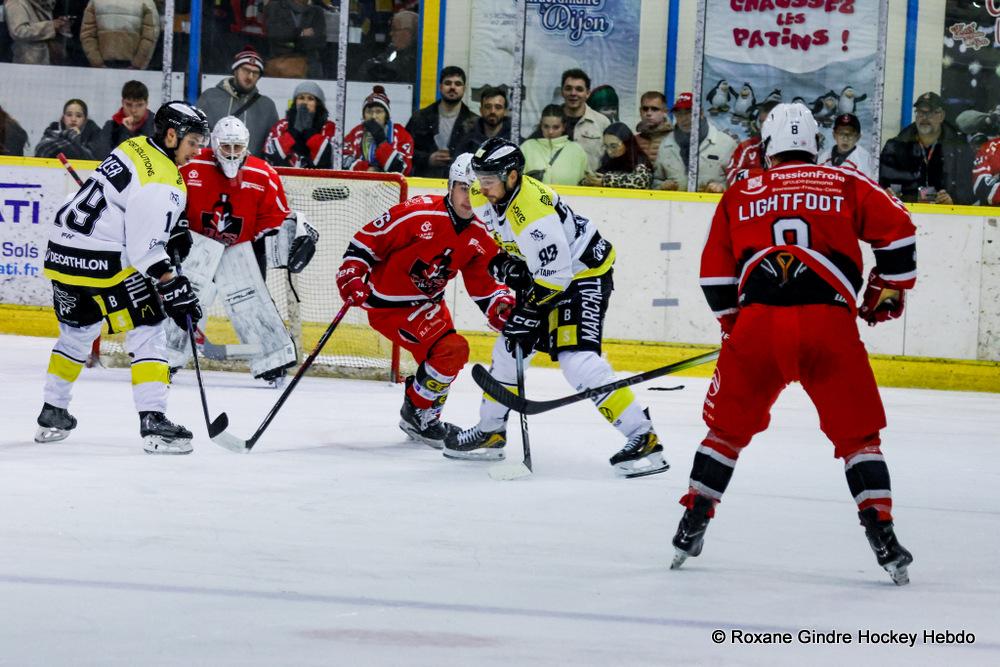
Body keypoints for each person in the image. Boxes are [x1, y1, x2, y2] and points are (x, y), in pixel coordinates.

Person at [669, 103, 917, 586]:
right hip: (829, 326)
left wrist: (735, 328)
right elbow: (900, 231)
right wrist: (887, 287)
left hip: (758, 327)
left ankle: (691, 523)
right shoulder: (844, 182)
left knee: (725, 433)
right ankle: (883, 536)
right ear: (815, 144)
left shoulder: (741, 192)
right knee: (858, 439)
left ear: (767, 146)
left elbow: (715, 276)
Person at [446, 138, 666, 477]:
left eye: (488, 180)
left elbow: (557, 278)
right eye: (479, 178)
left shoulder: (534, 214)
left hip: (581, 275)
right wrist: (506, 262)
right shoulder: (483, 193)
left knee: (577, 361)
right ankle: (491, 432)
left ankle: (643, 436)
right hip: (546, 275)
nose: (481, 187)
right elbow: (504, 238)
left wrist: (528, 311)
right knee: (509, 350)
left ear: (512, 176)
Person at [36, 101, 209, 455]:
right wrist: (172, 285)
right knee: (149, 328)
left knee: (77, 334)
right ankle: (153, 420)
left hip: (61, 253)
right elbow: (146, 250)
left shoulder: (134, 145)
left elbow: (128, 203)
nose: (197, 151)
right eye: (193, 142)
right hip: (104, 259)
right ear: (172, 136)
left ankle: (53, 411)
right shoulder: (164, 178)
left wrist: (173, 228)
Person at [335, 153, 514, 448]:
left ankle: (425, 416)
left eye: (477, 190)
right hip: (388, 306)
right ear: (450, 186)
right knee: (450, 350)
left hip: (429, 305)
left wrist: (500, 303)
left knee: (448, 357)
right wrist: (351, 274)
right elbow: (368, 240)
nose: (470, 198)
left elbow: (484, 284)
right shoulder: (418, 213)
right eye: (463, 188)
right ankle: (417, 414)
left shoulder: (483, 232)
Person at [170, 116, 317, 386]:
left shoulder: (263, 174)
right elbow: (170, 200)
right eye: (226, 147)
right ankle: (167, 356)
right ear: (214, 144)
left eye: (237, 147)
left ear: (246, 146)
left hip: (240, 249)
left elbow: (275, 218)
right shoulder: (191, 165)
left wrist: (289, 235)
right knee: (184, 296)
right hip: (196, 246)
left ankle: (272, 361)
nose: (232, 153)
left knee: (250, 301)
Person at [879, 92, 974, 205]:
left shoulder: (959, 149)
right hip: (905, 211)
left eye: (929, 113)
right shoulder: (895, 146)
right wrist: (887, 195)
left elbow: (969, 191)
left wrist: (953, 201)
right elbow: (881, 184)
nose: (924, 117)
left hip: (944, 214)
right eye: (920, 112)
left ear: (941, 116)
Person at [196, 46, 279, 158]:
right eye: (246, 70)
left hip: (251, 167)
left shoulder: (267, 107)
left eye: (255, 73)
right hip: (212, 165)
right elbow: (196, 136)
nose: (250, 76)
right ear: (235, 70)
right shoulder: (210, 97)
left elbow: (272, 147)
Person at [653, 92, 736, 192]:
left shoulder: (725, 144)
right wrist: (662, 186)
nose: (683, 118)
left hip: (714, 201)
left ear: (701, 113)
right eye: (678, 113)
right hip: (674, 201)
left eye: (689, 112)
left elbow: (738, 181)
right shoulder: (666, 144)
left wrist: (722, 187)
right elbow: (655, 181)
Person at [405, 66, 479, 178]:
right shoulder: (420, 118)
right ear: (440, 87)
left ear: (464, 89)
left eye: (458, 84)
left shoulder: (475, 123)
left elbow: (479, 157)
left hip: (461, 182)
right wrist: (428, 159)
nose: (452, 87)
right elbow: (405, 151)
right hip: (424, 181)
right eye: (448, 83)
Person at [263, 81, 337, 169]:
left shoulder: (329, 127)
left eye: (310, 99)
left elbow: (328, 159)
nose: (305, 102)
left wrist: (309, 132)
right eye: (301, 98)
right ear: (295, 102)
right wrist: (294, 131)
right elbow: (270, 154)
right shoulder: (282, 125)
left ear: (318, 103)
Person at [343, 85, 414, 175]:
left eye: (379, 111)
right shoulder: (356, 133)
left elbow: (403, 169)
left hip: (391, 184)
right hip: (360, 183)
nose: (374, 116)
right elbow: (343, 161)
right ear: (363, 116)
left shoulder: (401, 134)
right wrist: (367, 169)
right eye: (369, 112)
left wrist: (381, 141)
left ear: (386, 115)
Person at [519, 104, 588, 186]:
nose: (550, 131)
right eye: (546, 126)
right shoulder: (527, 147)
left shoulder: (577, 150)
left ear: (564, 127)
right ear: (541, 125)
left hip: (569, 194)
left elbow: (585, 181)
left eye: (556, 127)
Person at [80, 0, 160, 69]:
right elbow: (150, 36)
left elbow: (87, 34)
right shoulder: (146, 2)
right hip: (131, 64)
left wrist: (97, 62)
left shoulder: (95, 1)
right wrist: (138, 64)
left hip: (104, 63)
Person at [557, 68, 610, 171]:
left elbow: (611, 158)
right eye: (568, 88)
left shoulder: (602, 123)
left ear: (588, 93)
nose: (573, 93)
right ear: (562, 92)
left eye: (579, 89)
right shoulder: (550, 120)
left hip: (590, 181)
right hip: (555, 181)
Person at [263, 0, 327, 79]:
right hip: (280, 59)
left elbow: (320, 41)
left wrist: (291, 40)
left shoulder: (317, 11)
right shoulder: (276, 6)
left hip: (308, 61)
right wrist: (301, 33)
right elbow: (276, 34)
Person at [95, 80, 155, 160]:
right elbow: (101, 157)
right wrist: (125, 133)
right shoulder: (111, 126)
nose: (133, 110)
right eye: (129, 105)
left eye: (139, 105)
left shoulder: (156, 126)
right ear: (122, 102)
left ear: (146, 104)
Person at [724, 99, 779, 186]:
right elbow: (731, 176)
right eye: (761, 122)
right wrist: (764, 176)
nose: (763, 126)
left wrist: (750, 175)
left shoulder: (794, 149)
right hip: (753, 194)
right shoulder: (747, 147)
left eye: (768, 122)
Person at [581, 122, 652, 189]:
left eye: (614, 146)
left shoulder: (639, 161)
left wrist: (606, 181)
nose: (609, 151)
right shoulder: (607, 161)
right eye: (606, 146)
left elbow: (641, 182)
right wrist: (590, 181)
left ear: (627, 144)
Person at [357, 9, 418, 84]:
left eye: (395, 29)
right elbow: (379, 61)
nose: (391, 33)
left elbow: (402, 75)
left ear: (408, 33)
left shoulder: (417, 57)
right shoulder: (392, 50)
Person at [5, 0, 70, 65]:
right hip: (28, 61)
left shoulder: (44, 2)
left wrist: (58, 24)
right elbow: (19, 31)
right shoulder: (16, 3)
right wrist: (51, 26)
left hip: (44, 59)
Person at [35, 99, 102, 160]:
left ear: (84, 120)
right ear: (63, 118)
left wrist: (76, 139)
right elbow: (40, 152)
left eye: (78, 116)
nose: (73, 119)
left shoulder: (94, 137)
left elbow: (95, 161)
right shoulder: (52, 132)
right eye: (69, 115)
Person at [456, 85, 513, 155]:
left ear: (505, 111)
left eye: (498, 107)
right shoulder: (468, 141)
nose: (492, 111)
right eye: (488, 107)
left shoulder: (514, 140)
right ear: (481, 110)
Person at [819, 113, 876, 179]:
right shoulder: (823, 158)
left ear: (858, 137)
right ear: (834, 135)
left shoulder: (865, 159)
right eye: (841, 133)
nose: (845, 139)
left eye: (850, 134)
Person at [634, 91, 673, 165]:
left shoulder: (676, 139)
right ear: (640, 111)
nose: (649, 113)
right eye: (645, 109)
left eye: (654, 109)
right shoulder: (633, 141)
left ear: (665, 112)